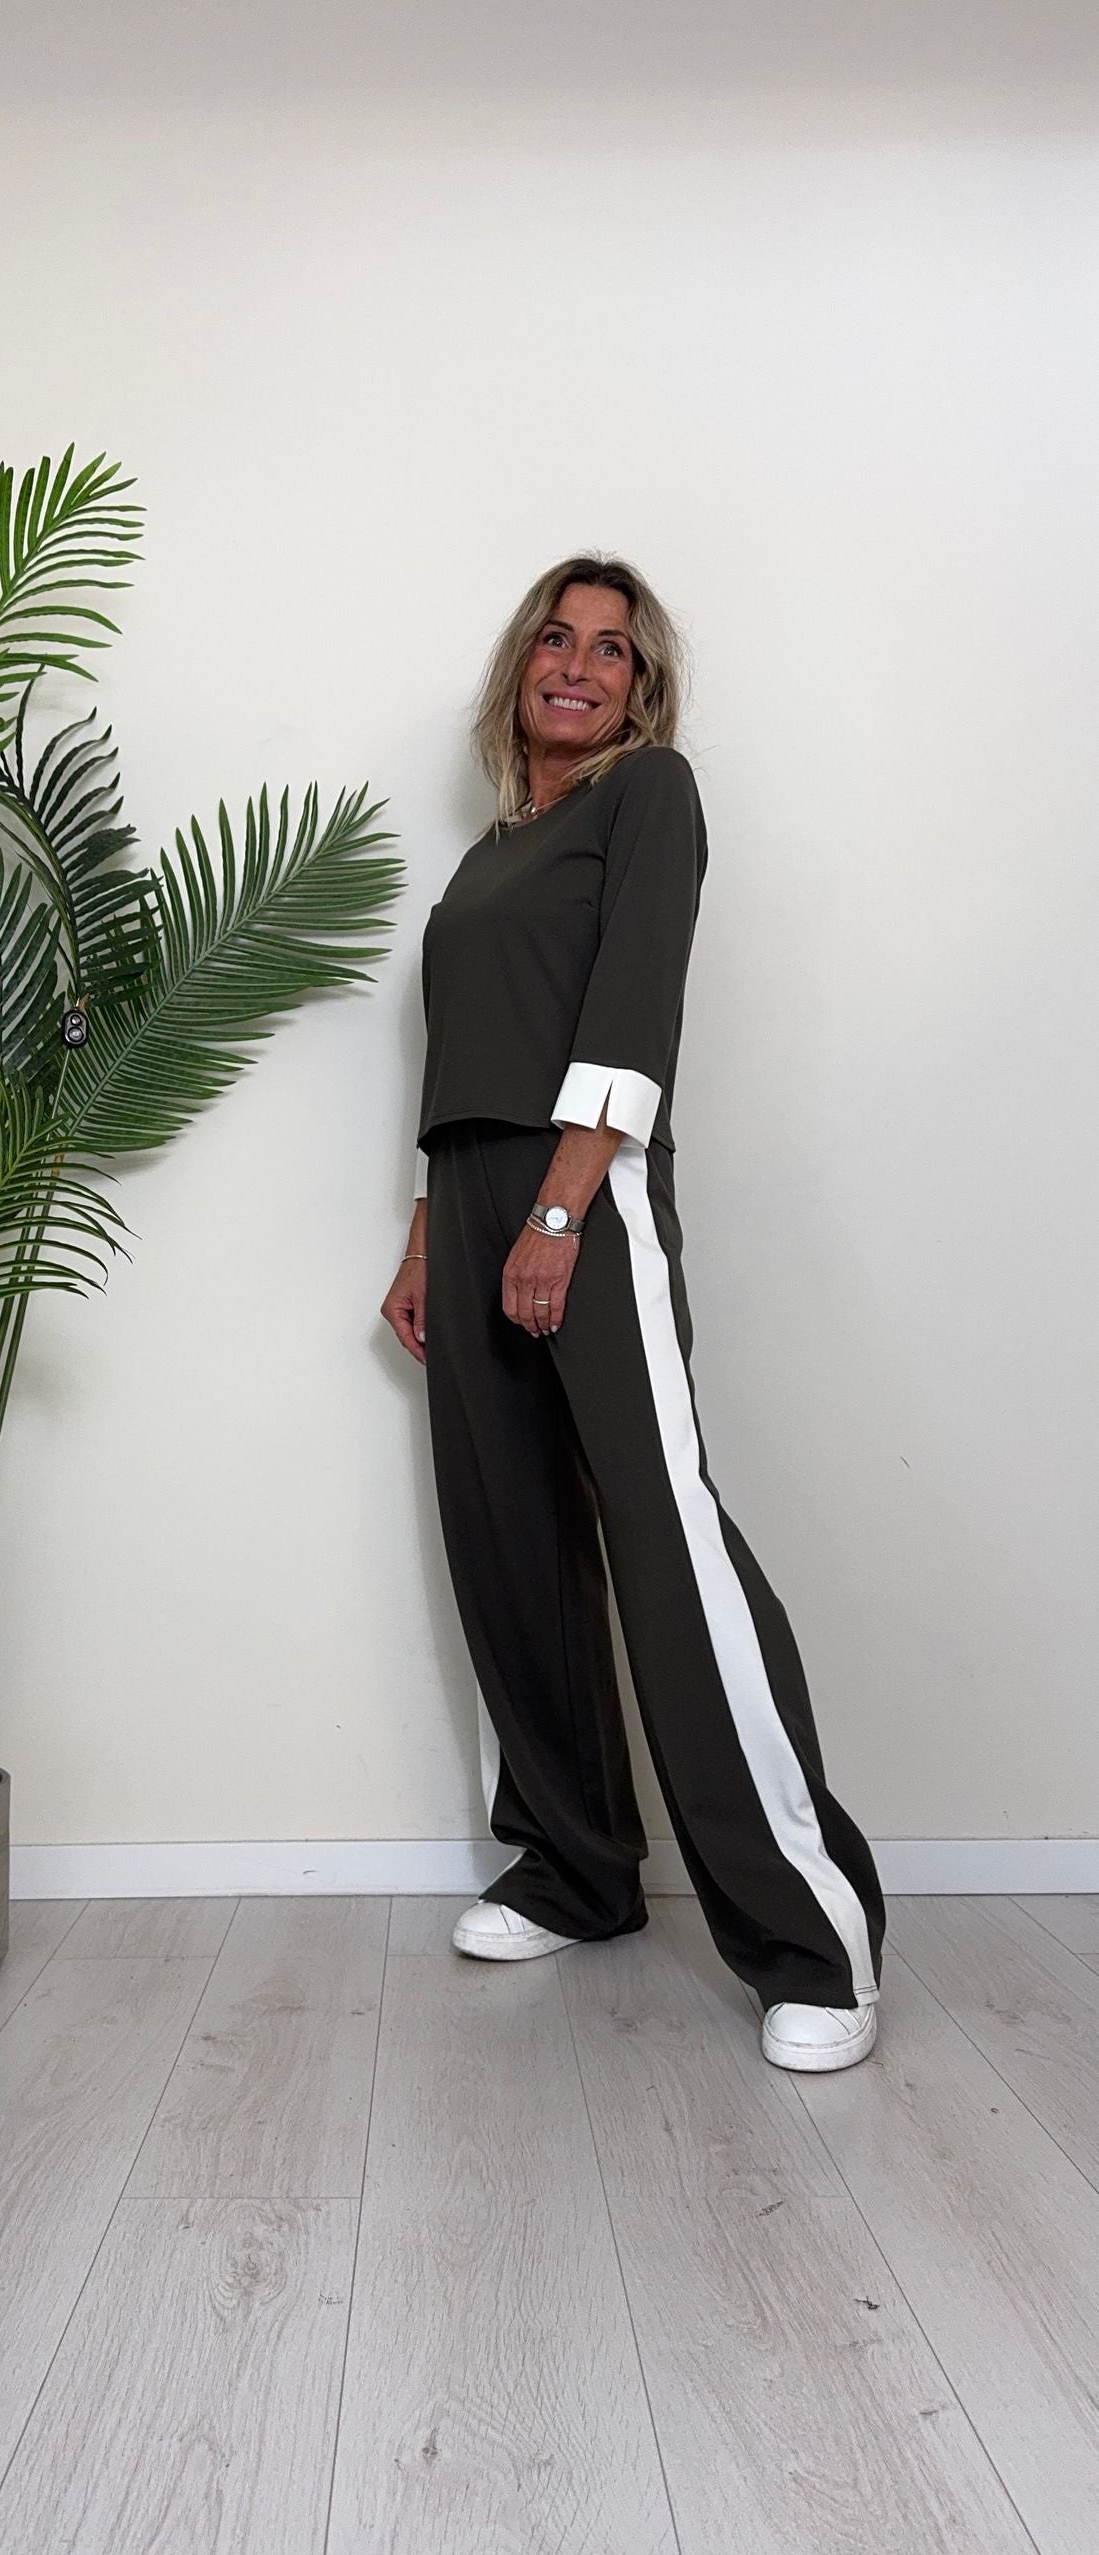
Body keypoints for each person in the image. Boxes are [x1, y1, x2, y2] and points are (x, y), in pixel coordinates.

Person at [382, 555, 885, 2073]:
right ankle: (575, 1868)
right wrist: (430, 1229)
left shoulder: (647, 796)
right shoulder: (490, 853)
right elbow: (466, 1046)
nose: (578, 664)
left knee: (666, 1541)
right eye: (557, 638)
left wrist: (557, 1213)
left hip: (580, 1188)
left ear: (640, 688)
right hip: (470, 1189)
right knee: (509, 1537)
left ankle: (813, 1936)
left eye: (613, 649)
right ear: (519, 668)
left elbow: (631, 1009)